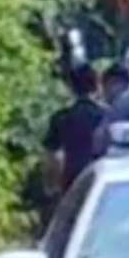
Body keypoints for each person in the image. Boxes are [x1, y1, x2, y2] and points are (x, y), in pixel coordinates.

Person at [42, 65, 104, 196]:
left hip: (72, 179)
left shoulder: (61, 117)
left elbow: (53, 157)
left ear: (70, 87)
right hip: (101, 177)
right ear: (97, 85)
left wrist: (51, 185)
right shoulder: (106, 115)